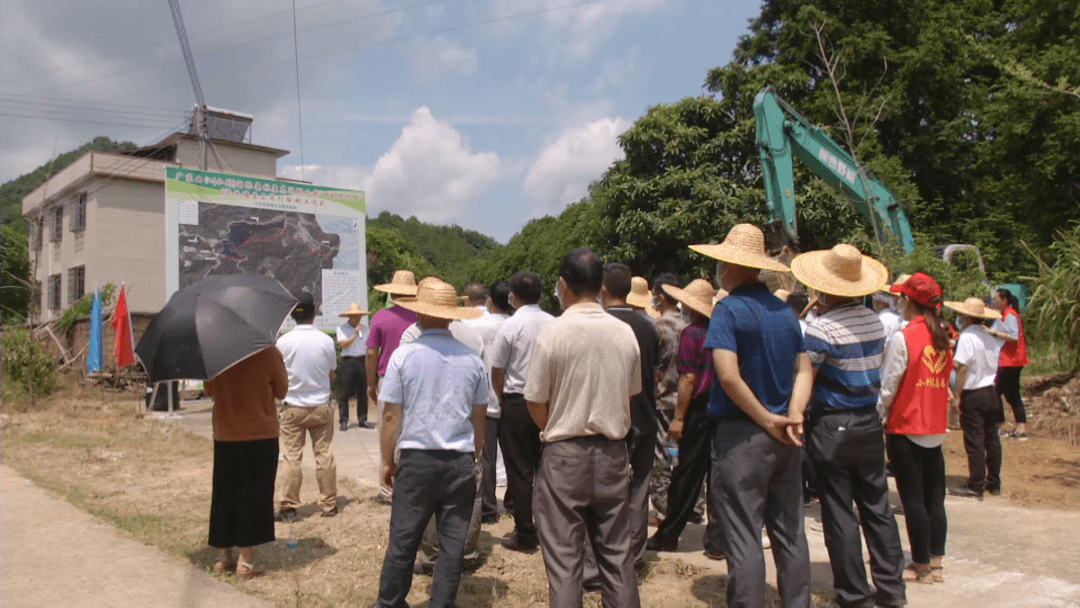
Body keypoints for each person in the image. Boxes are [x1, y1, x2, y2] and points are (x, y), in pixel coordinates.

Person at [689, 223, 813, 608]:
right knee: (790, 531)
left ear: (729, 265)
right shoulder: (784, 311)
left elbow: (727, 375)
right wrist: (792, 413)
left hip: (743, 436)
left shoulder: (728, 310)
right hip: (786, 437)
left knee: (743, 535)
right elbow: (804, 370)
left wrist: (764, 419)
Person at [525, 247, 642, 608]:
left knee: (564, 562)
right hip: (612, 453)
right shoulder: (625, 333)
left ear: (563, 285)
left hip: (564, 455)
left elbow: (535, 400)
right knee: (618, 558)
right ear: (601, 285)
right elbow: (630, 395)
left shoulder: (553, 333)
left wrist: (553, 428)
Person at [791, 244, 907, 608]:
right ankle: (891, 589)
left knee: (839, 511)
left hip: (833, 424)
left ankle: (853, 594)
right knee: (877, 508)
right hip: (869, 424)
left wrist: (796, 413)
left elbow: (808, 374)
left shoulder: (821, 329)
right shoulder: (876, 321)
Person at [373, 279, 487, 608]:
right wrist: (474, 459)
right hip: (459, 461)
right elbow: (478, 420)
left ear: (419, 314)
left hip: (416, 459)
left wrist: (387, 462)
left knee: (403, 540)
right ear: (451, 316)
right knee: (452, 546)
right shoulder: (472, 359)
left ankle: (390, 602)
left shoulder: (403, 357)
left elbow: (391, 417)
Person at [878, 272, 953, 584]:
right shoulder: (944, 337)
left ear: (908, 301)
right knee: (935, 498)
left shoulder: (904, 336)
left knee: (913, 501)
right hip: (935, 426)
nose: (898, 301)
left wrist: (878, 415)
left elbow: (889, 385)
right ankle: (936, 564)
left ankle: (919, 566)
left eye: (902, 297)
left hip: (907, 425)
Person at [646, 279, 725, 559]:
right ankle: (716, 541)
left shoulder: (693, 334)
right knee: (716, 477)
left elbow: (689, 377)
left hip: (697, 409)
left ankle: (668, 534)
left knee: (684, 474)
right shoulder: (719, 329)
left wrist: (679, 417)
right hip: (720, 408)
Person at [203, 345, 288, 579]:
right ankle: (245, 561)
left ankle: (222, 556)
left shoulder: (216, 352)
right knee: (255, 494)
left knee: (224, 493)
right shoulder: (267, 351)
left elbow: (209, 389)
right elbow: (282, 391)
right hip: (260, 434)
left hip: (225, 433)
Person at [598, 262, 660, 574]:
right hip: (645, 416)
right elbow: (657, 375)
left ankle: (605, 556)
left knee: (605, 493)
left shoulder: (597, 325)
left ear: (603, 289)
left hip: (608, 420)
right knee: (639, 491)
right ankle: (634, 558)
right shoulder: (649, 326)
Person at [489, 271, 554, 552]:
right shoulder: (554, 323)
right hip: (549, 403)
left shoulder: (510, 326)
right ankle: (551, 528)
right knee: (547, 468)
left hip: (516, 402)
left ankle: (526, 532)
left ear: (512, 297)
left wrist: (503, 398)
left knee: (520, 470)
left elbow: (497, 370)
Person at [276, 292, 340, 519]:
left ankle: (289, 506)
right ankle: (329, 504)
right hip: (320, 405)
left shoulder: (283, 342)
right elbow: (331, 372)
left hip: (292, 406)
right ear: (315, 311)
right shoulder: (326, 340)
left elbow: (279, 374)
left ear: (292, 314)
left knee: (292, 457)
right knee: (324, 456)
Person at [367, 270, 419, 502]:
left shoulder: (380, 317)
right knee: (411, 430)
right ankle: (410, 485)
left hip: (387, 377)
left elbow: (371, 353)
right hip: (416, 379)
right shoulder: (422, 316)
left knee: (387, 430)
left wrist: (370, 385)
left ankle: (387, 487)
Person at [945, 297, 1004, 499]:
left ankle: (975, 485)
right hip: (991, 389)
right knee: (992, 439)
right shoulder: (990, 335)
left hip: (974, 392)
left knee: (975, 441)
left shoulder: (967, 336)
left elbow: (962, 368)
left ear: (968, 317)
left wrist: (957, 397)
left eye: (962, 315)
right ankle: (994, 482)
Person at [466, 280, 513, 524]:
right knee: (517, 457)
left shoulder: (475, 327)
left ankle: (488, 508)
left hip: (486, 398)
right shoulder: (517, 326)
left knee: (487, 458)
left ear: (489, 301)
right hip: (515, 400)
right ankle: (515, 503)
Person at [650, 272, 688, 517]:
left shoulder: (658, 327)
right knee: (679, 454)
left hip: (663, 401)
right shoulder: (689, 326)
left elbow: (654, 369)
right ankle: (691, 505)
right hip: (685, 402)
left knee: (663, 456)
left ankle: (665, 508)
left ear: (661, 298)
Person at [989, 288, 1029, 440]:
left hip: (1010, 361)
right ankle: (1020, 427)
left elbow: (1013, 337)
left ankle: (1001, 425)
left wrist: (994, 334)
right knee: (1012, 394)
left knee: (996, 392)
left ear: (1004, 300)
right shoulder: (1005, 315)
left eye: (995, 298)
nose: (993, 301)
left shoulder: (1010, 315)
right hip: (1010, 360)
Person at [336, 303, 371, 431]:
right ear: (349, 316)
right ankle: (343, 420)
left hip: (361, 360)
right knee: (344, 393)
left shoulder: (366, 329)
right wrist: (355, 335)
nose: (357, 319)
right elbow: (342, 344)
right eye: (354, 316)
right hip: (348, 360)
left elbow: (369, 346)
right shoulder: (341, 328)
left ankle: (363, 419)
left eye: (359, 316)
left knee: (362, 392)